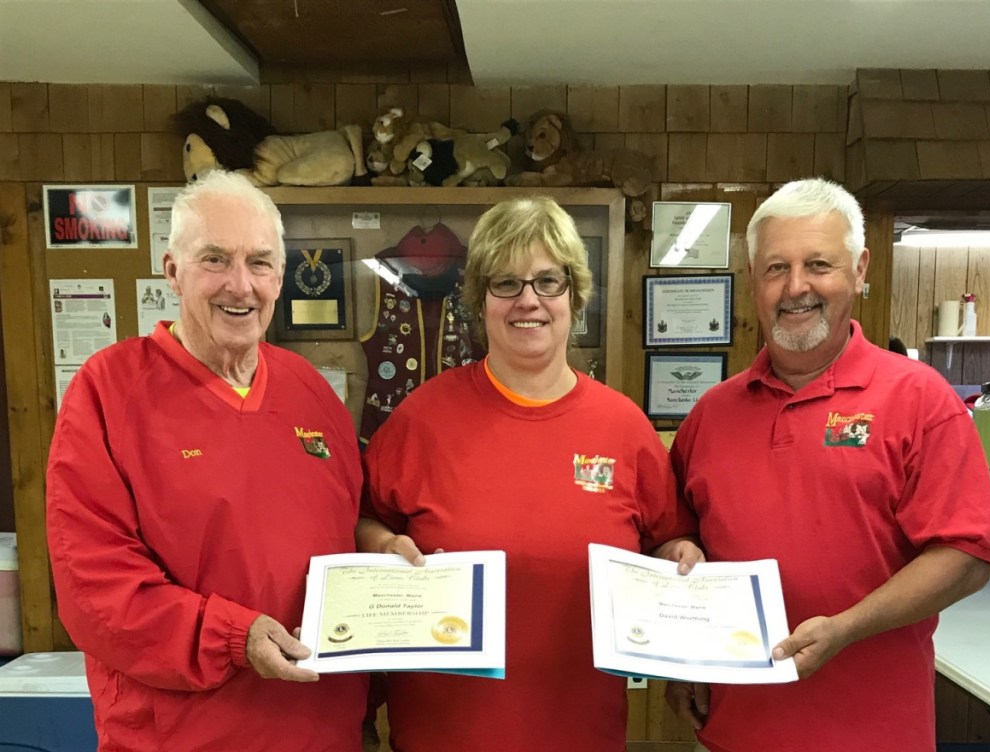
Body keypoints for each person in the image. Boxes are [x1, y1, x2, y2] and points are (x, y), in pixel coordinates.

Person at [667, 178, 990, 752]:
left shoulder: (920, 399)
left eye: (818, 264)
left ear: (860, 269)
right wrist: (681, 652)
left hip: (873, 735)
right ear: (753, 281)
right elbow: (676, 533)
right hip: (731, 733)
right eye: (776, 268)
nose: (796, 287)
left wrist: (846, 628)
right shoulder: (711, 415)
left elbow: (966, 554)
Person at [358, 195, 701, 751]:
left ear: (574, 295)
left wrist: (679, 558)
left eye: (548, 281)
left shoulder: (624, 428)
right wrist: (381, 545)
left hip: (581, 736)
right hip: (441, 737)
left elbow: (670, 539)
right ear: (480, 299)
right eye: (506, 283)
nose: (528, 301)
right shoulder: (422, 419)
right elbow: (363, 521)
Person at [46, 170, 367, 751]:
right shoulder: (109, 390)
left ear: (280, 277)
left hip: (322, 729)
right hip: (182, 737)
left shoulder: (310, 390)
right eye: (215, 259)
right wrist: (232, 637)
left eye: (261, 263)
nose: (240, 285)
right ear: (173, 271)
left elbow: (346, 531)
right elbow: (95, 589)